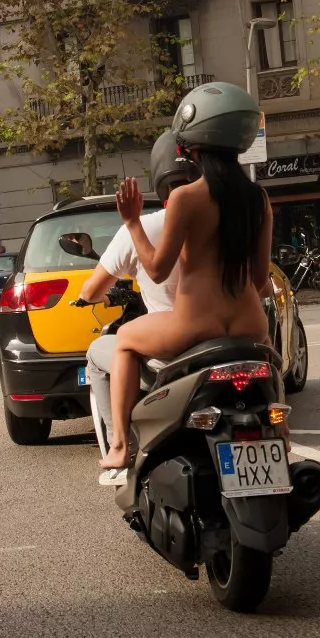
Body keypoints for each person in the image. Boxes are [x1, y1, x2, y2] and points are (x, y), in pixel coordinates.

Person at [98, 83, 274, 472]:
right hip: (250, 325)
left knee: (124, 340)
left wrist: (132, 223)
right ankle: (281, 436)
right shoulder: (258, 200)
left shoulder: (186, 198)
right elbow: (261, 280)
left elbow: (158, 269)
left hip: (193, 326)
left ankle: (120, 446)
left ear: (189, 147)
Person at [78, 131, 201, 485]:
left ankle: (121, 445)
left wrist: (132, 223)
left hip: (174, 336)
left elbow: (94, 288)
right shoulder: (224, 220)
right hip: (228, 329)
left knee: (111, 347)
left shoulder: (145, 226)